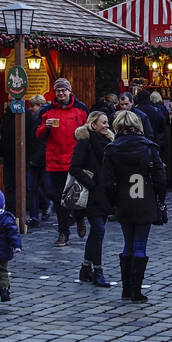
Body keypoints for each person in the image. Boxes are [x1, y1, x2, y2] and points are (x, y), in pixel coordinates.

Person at [102, 108, 167, 302]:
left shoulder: (112, 149)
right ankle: (136, 291)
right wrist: (160, 199)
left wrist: (113, 202)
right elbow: (160, 178)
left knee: (127, 243)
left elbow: (106, 182)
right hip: (145, 200)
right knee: (140, 244)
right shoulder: (149, 147)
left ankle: (126, 289)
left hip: (124, 201)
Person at [36, 78, 90, 247]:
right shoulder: (46, 111)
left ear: (69, 91)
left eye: (63, 90)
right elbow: (38, 135)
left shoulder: (81, 109)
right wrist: (46, 127)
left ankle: (80, 219)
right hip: (55, 161)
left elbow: (87, 132)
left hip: (75, 160)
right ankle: (63, 233)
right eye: (58, 91)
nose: (60, 93)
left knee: (78, 196)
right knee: (60, 200)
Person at [69, 110, 115, 287]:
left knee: (97, 232)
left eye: (107, 122)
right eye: (103, 122)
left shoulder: (109, 141)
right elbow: (74, 167)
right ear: (93, 124)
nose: (107, 125)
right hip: (91, 194)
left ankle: (86, 268)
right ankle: (98, 270)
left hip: (105, 194)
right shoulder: (85, 141)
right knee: (99, 230)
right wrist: (92, 182)